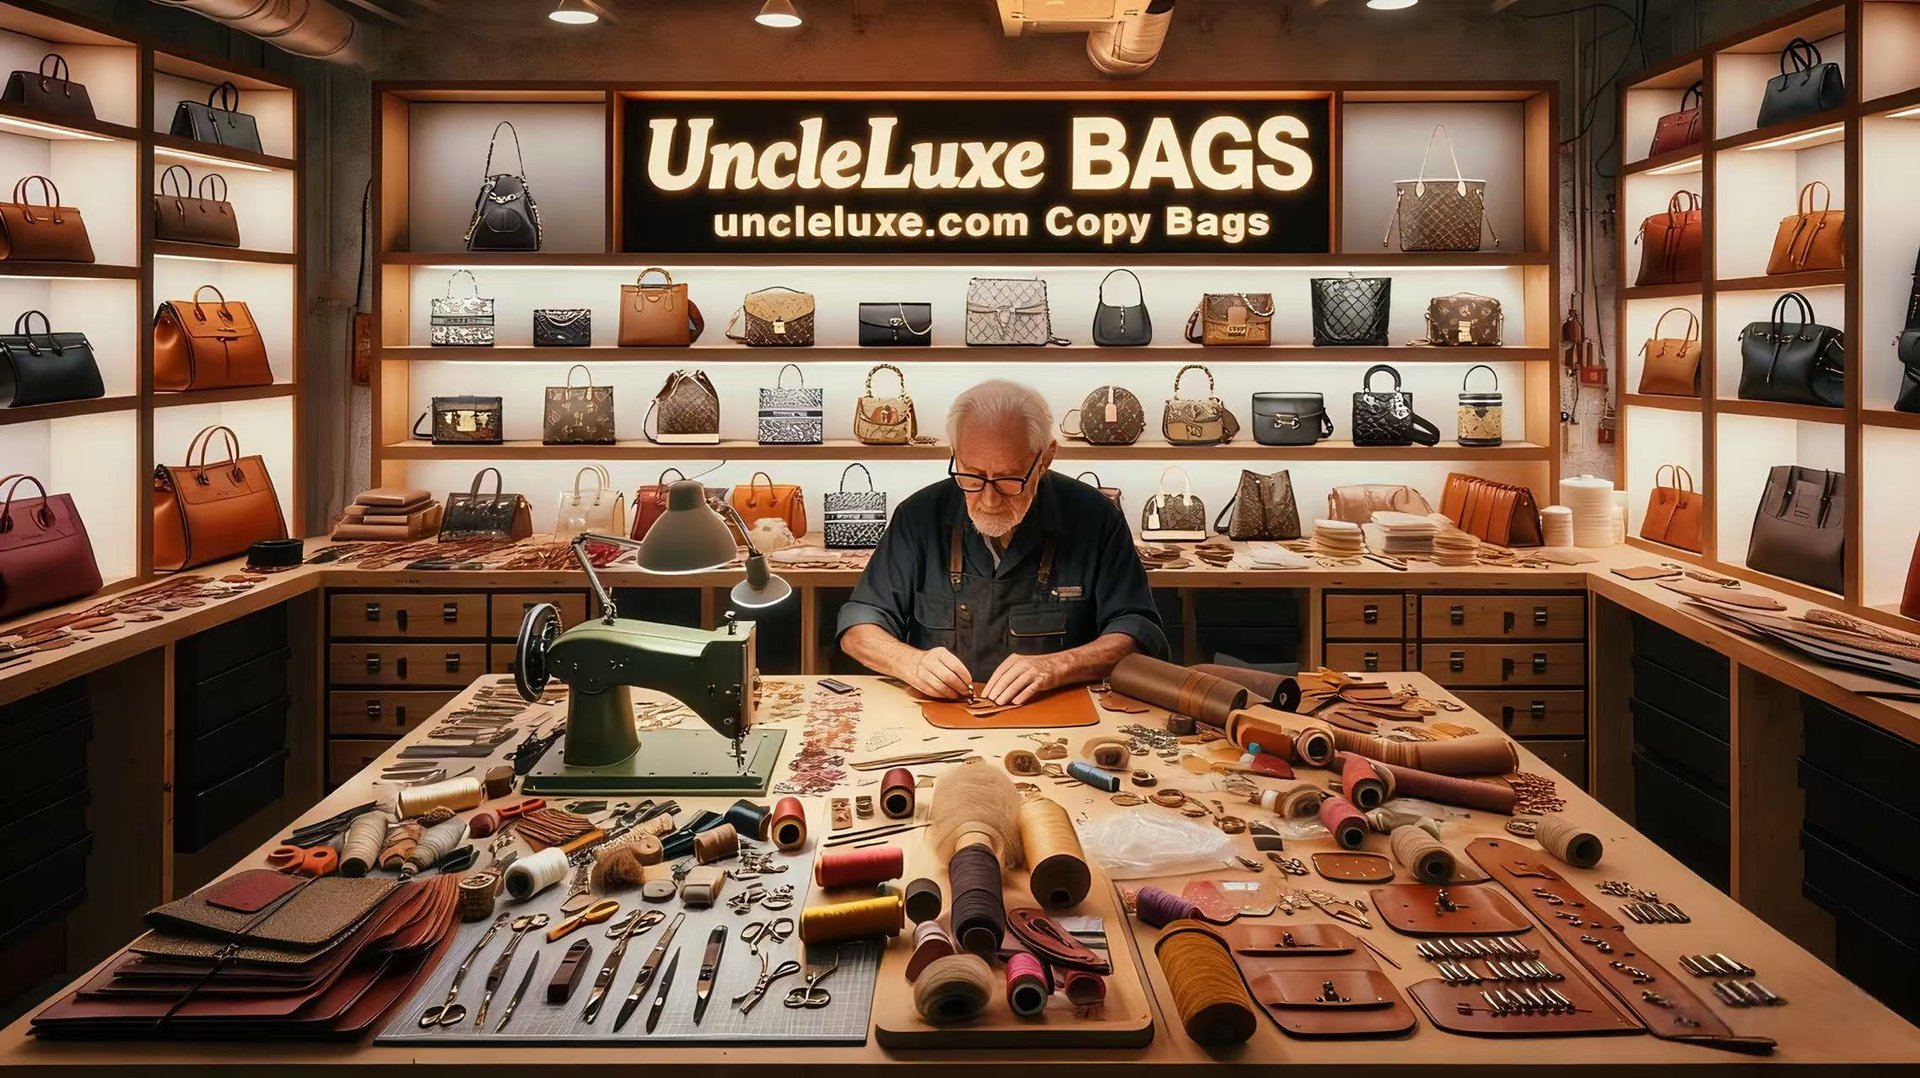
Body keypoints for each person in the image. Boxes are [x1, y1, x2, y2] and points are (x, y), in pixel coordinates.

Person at [837, 379, 1167, 705]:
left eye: (1009, 479)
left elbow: (1137, 631)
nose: (990, 499)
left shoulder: (1096, 517)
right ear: (955, 454)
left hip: (1061, 716)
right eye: (973, 476)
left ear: (1045, 459)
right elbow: (859, 625)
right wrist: (910, 662)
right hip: (942, 716)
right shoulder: (918, 516)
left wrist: (1059, 666)